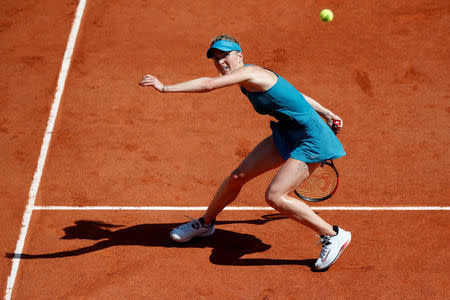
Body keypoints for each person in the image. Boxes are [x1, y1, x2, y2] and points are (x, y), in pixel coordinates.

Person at [139, 35, 351, 270]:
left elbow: (208, 85)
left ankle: (332, 235)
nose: (220, 62)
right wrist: (328, 112)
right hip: (288, 133)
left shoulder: (252, 75)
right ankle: (205, 224)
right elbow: (296, 95)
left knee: (275, 196)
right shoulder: (247, 79)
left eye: (225, 55)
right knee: (237, 177)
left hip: (312, 139)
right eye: (215, 58)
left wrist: (165, 88)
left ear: (240, 56)